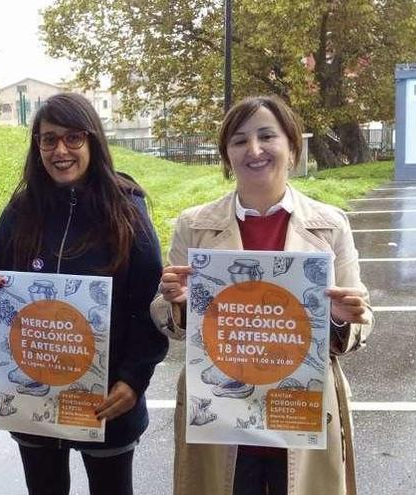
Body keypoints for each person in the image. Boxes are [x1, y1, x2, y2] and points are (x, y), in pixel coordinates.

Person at [151, 95, 373, 495]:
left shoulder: (329, 225)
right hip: (221, 407)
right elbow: (168, 317)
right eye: (239, 140)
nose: (253, 150)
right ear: (226, 155)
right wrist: (178, 301)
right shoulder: (195, 226)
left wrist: (340, 316)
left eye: (266, 136)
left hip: (299, 403)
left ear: (291, 146)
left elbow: (361, 320)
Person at [0, 92, 168, 495]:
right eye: (48, 139)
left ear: (93, 141)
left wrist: (134, 380)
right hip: (34, 397)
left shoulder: (127, 209)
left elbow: (151, 307)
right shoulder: (20, 209)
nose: (60, 150)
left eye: (73, 138)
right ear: (37, 146)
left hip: (108, 399)